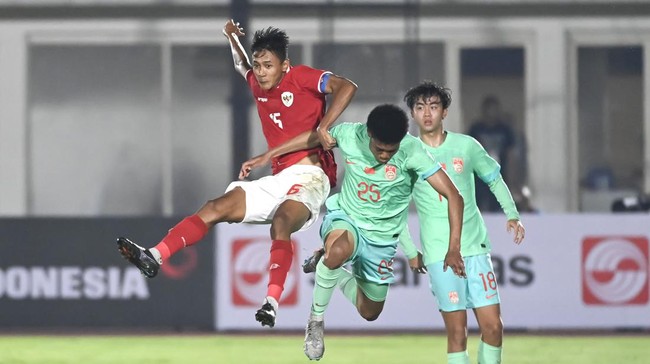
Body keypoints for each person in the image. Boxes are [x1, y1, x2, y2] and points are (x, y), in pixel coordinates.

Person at [115, 19, 357, 328]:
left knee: (282, 221)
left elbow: (347, 86)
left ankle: (271, 302)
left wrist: (324, 126)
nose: (261, 71)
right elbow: (240, 63)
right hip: (279, 179)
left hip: (311, 176)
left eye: (268, 65)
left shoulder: (301, 77)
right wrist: (230, 36)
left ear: (285, 65)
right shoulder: (256, 81)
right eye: (258, 65)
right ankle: (156, 255)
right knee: (216, 207)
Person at [243, 103, 465, 361]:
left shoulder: (413, 151)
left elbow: (453, 196)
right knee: (337, 250)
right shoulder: (350, 135)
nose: (384, 156)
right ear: (369, 133)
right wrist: (268, 155)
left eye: (390, 151)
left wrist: (453, 248)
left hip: (382, 239)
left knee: (370, 311)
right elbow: (313, 137)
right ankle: (315, 321)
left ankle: (326, 267)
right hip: (346, 218)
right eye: (379, 149)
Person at [401, 81, 525, 364]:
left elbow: (494, 179)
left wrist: (512, 213)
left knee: (494, 327)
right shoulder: (406, 153)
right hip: (438, 254)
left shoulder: (466, 146)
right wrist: (410, 250)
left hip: (475, 247)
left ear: (444, 111)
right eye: (420, 107)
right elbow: (396, 208)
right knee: (457, 333)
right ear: (412, 113)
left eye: (434, 106)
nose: (427, 113)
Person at [467, 95, 518, 212]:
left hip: (499, 174)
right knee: (478, 203)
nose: (491, 113)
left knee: (498, 205)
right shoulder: (476, 129)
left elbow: (511, 155)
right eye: (489, 110)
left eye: (494, 110)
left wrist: (513, 178)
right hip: (479, 175)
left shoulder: (505, 130)